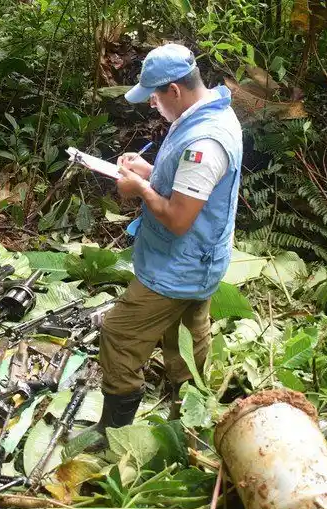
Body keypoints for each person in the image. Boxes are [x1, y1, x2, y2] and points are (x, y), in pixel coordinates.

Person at [94, 44, 243, 432]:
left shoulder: (204, 145)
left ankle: (115, 428)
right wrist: (149, 170)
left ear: (174, 91)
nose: (152, 105)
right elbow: (186, 185)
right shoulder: (208, 112)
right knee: (187, 337)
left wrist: (140, 189)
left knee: (118, 335)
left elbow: (178, 219)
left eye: (156, 96)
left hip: (178, 265)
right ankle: (190, 422)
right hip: (200, 260)